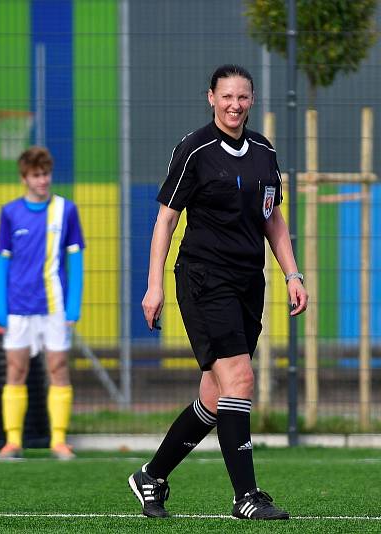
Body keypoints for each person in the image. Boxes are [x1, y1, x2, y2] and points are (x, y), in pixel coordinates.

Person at [130, 64, 308, 520]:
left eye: (243, 97)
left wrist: (293, 274)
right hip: (204, 279)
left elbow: (273, 219)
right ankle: (245, 496)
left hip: (249, 281)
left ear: (252, 100)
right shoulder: (196, 150)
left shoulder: (265, 151)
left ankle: (152, 476)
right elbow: (166, 220)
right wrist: (154, 287)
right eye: (226, 96)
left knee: (215, 394)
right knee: (240, 380)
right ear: (211, 97)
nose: (234, 105)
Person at [0, 146, 85, 461]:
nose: (43, 180)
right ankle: (12, 442)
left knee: (58, 368)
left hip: (54, 305)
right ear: (24, 178)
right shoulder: (10, 212)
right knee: (15, 370)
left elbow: (76, 259)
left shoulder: (66, 210)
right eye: (36, 175)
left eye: (46, 174)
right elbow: (2, 262)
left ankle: (59, 441)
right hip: (18, 306)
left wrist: (74, 305)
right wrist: (0, 306)